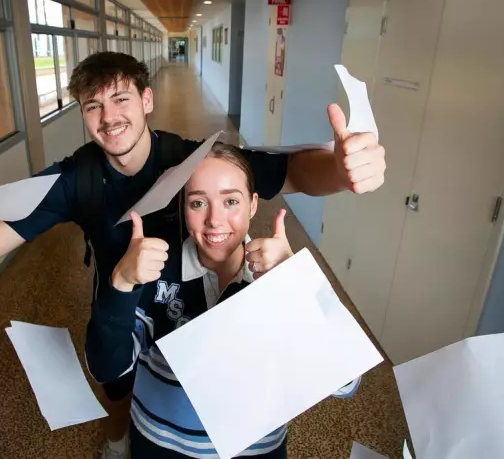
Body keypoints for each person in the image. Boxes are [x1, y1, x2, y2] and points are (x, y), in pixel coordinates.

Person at [0, 52, 384, 458]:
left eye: (121, 99)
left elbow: (295, 173)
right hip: (127, 296)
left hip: (194, 292)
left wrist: (344, 171)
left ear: (146, 101)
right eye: (93, 106)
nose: (109, 116)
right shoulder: (76, 178)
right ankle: (121, 432)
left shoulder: (195, 160)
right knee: (119, 377)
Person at [84, 143, 360, 458]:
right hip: (161, 446)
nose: (215, 220)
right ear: (182, 207)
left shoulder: (280, 276)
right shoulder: (154, 273)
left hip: (254, 451)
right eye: (199, 202)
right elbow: (106, 367)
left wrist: (294, 283)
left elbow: (346, 384)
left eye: (231, 200)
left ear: (254, 204)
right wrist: (122, 282)